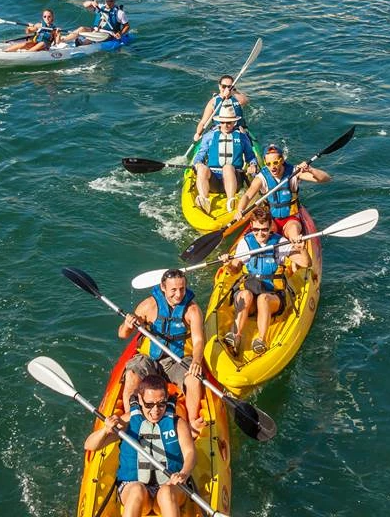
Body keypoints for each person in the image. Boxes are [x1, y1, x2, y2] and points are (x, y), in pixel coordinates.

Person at [84, 374, 195, 517]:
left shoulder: (177, 423)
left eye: (161, 404)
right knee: (137, 489)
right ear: (141, 400)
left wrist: (184, 473)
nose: (155, 411)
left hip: (170, 486)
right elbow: (90, 445)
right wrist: (105, 431)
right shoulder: (128, 421)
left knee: (166, 493)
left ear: (166, 400)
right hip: (135, 487)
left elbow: (190, 453)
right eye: (149, 405)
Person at [119, 269, 206, 435]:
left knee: (194, 379)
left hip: (178, 361)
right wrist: (128, 324)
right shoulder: (148, 305)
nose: (179, 294)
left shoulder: (192, 310)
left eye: (182, 289)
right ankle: (131, 419)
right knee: (131, 374)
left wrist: (196, 361)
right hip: (150, 359)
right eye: (173, 290)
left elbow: (198, 340)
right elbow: (122, 334)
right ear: (163, 287)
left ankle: (192, 422)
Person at [218, 204, 308, 354]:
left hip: (272, 297)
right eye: (256, 230)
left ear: (270, 226)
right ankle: (236, 336)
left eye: (264, 229)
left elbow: (306, 263)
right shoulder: (245, 244)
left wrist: (302, 249)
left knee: (263, 299)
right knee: (245, 295)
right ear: (252, 227)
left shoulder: (279, 243)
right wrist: (228, 264)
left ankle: (261, 340)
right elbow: (234, 270)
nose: (260, 234)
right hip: (250, 294)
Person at [234, 143, 330, 243]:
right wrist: (240, 209)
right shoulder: (261, 177)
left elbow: (326, 178)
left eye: (275, 163)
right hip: (270, 219)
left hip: (291, 219)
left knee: (294, 235)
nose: (272, 167)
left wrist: (310, 169)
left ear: (282, 160)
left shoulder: (294, 172)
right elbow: (247, 195)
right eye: (268, 164)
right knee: (263, 238)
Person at [192, 103, 257, 214]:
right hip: (214, 181)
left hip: (235, 179)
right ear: (219, 122)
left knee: (227, 167)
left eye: (229, 123)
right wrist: (197, 163)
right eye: (223, 122)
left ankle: (231, 200)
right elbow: (200, 154)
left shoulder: (242, 137)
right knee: (202, 168)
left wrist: (253, 165)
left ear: (234, 122)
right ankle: (204, 200)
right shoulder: (210, 136)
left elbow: (250, 156)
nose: (225, 125)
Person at [60, 0, 129, 45]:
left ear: (114, 1)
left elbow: (127, 26)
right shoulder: (100, 7)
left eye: (111, 1)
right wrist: (92, 3)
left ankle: (82, 44)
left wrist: (120, 33)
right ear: (105, 0)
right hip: (95, 30)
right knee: (82, 29)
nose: (109, 3)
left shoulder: (119, 13)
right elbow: (85, 5)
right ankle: (63, 40)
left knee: (94, 35)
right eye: (108, 1)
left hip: (108, 34)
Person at [193, 75, 249, 141]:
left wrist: (232, 91)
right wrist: (198, 133)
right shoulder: (213, 102)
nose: (226, 89)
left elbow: (245, 101)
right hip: (219, 129)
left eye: (229, 86)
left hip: (238, 128)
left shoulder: (237, 98)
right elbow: (203, 122)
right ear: (219, 86)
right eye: (224, 86)